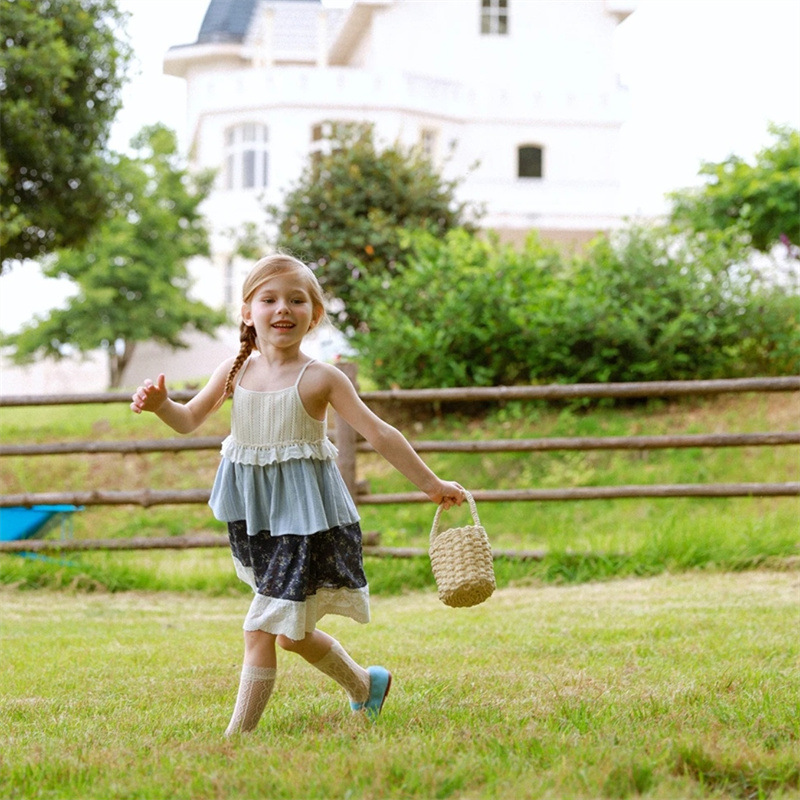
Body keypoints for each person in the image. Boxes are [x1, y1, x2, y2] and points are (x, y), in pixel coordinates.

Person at [131, 253, 466, 736]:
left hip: (307, 523)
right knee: (292, 635)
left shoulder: (321, 378)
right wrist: (163, 405)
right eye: (268, 299)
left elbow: (380, 432)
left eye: (296, 299)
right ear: (248, 312)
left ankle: (236, 740)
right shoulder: (235, 370)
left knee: (259, 628)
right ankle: (366, 686)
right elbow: (187, 421)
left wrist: (432, 485)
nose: (282, 309)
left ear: (315, 313)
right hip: (257, 520)